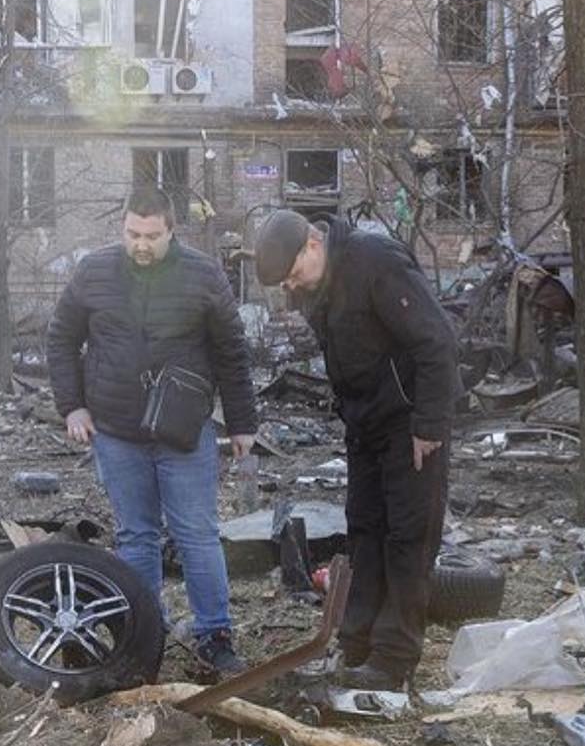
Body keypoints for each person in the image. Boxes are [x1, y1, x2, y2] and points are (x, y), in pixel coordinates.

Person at [46, 186, 258, 676]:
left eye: (151, 236)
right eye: (133, 234)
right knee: (135, 535)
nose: (141, 245)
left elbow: (231, 351)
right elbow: (61, 338)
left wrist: (243, 423)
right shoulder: (94, 271)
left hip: (183, 431)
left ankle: (215, 637)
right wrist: (72, 406)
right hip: (116, 430)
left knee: (197, 534)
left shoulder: (203, 275)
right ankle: (144, 635)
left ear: (171, 231)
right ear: (122, 227)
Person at [253, 209, 459, 692]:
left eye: (292, 274)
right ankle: (356, 642)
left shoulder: (375, 261)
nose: (291, 287)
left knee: (408, 536)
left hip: (411, 423)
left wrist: (429, 424)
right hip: (365, 424)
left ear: (312, 242)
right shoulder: (315, 284)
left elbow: (437, 341)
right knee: (365, 529)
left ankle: (393, 659)